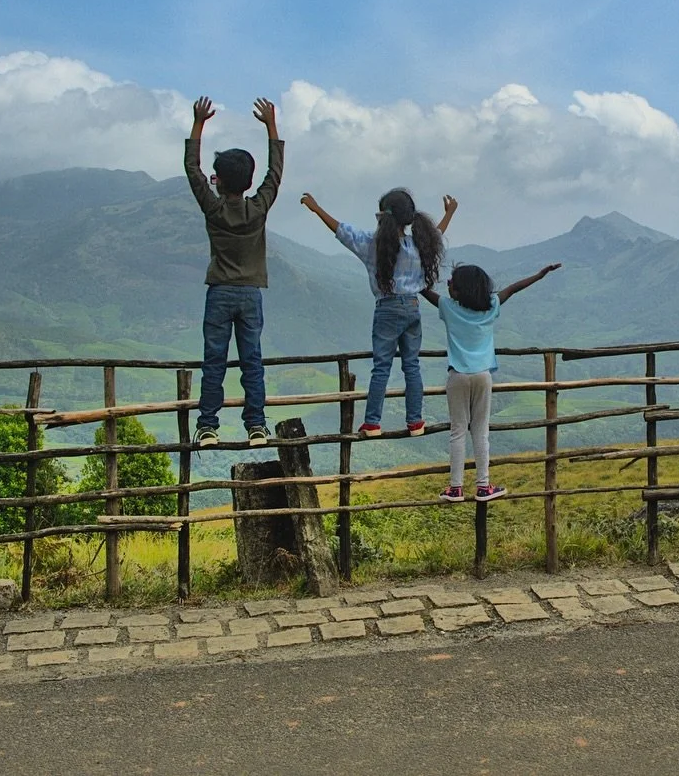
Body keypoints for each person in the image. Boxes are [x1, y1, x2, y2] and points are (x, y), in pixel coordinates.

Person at [300, 189, 455, 437]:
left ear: (382, 216)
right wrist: (450, 213)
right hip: (413, 307)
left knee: (382, 367)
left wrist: (317, 209)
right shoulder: (419, 244)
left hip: (387, 308)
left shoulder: (372, 245)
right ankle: (416, 421)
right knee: (412, 366)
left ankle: (372, 423)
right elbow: (437, 234)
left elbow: (342, 231)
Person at [185, 96, 283, 447]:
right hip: (251, 293)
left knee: (214, 361)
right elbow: (275, 174)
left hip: (220, 292)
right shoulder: (258, 209)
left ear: (219, 182)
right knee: (251, 360)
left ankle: (208, 426)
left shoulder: (213, 210)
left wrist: (199, 123)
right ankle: (256, 425)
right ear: (248, 182)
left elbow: (192, 169)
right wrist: (271, 126)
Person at [422, 262, 561, 501]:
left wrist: (406, 271)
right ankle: (483, 486)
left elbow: (424, 291)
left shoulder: (447, 306)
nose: (448, 284)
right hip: (483, 376)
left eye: (452, 282)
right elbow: (513, 289)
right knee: (480, 431)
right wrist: (539, 275)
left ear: (460, 289)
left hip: (457, 376)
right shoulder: (491, 306)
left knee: (458, 430)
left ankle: (455, 488)